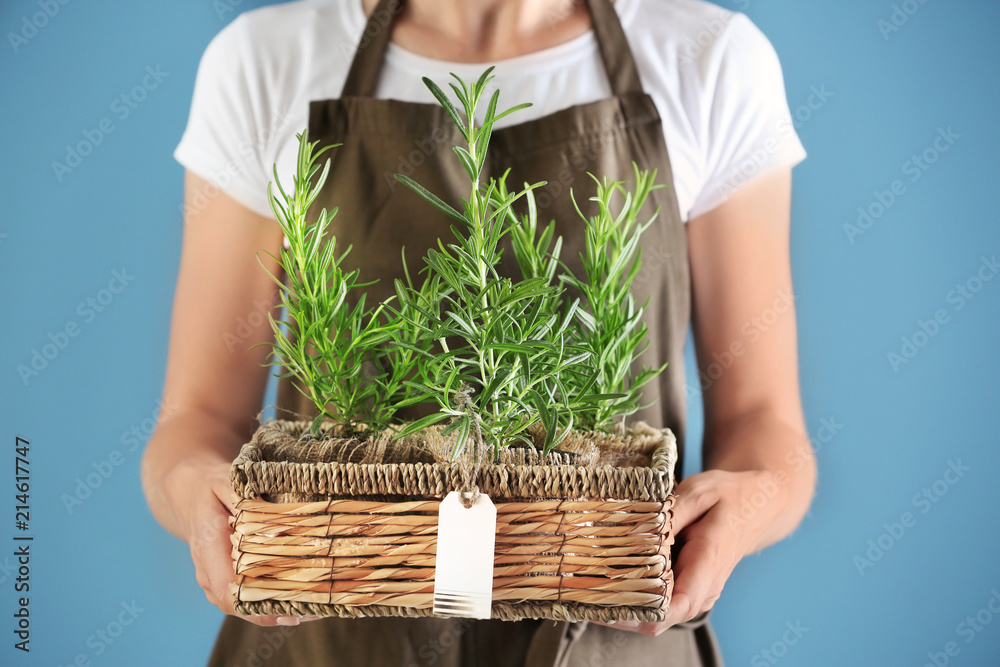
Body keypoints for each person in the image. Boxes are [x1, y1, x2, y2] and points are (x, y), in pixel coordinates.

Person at [141, 0, 817, 664]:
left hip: (609, 633)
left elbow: (765, 423)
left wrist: (748, 505)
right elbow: (197, 419)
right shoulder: (264, 59)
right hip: (327, 638)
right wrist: (194, 488)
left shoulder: (711, 58)